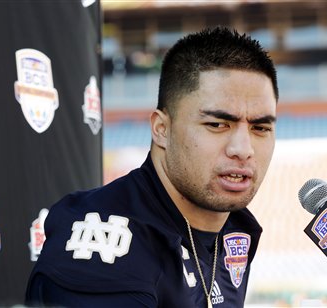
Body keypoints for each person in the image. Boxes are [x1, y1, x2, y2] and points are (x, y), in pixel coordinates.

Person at [25, 27, 278, 307]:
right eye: (217, 125)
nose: (243, 149)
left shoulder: (233, 226)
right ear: (161, 129)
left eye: (260, 127)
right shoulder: (106, 246)